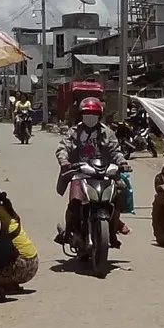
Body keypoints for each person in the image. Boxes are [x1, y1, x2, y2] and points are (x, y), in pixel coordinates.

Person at [57, 95, 127, 245]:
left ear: (99, 116)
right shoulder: (74, 131)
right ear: (81, 115)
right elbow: (63, 147)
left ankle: (113, 230)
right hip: (80, 172)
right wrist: (64, 161)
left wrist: (122, 162)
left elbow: (116, 150)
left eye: (94, 115)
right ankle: (68, 232)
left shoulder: (107, 132)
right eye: (87, 115)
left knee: (119, 195)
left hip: (104, 171)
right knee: (75, 202)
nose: (90, 118)